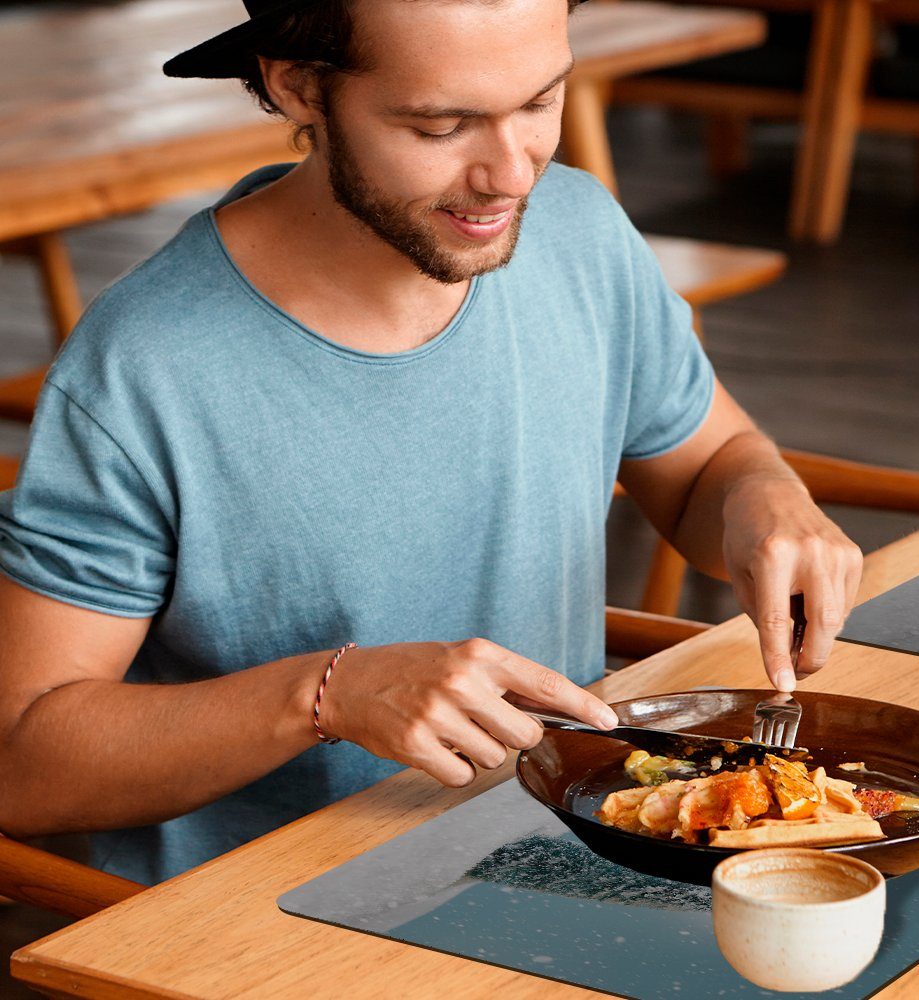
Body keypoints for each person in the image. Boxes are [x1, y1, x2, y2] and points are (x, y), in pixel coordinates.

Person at [0, 0, 862, 885]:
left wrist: (768, 499)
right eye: (442, 125)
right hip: (269, 926)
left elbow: (706, 467)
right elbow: (24, 765)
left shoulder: (578, 231)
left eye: (539, 102)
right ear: (295, 84)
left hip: (565, 859)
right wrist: (328, 694)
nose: (511, 175)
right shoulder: (145, 364)